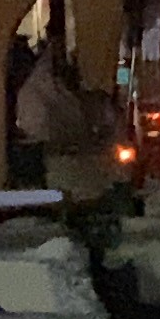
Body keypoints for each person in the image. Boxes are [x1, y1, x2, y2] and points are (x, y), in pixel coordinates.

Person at [16, 44, 114, 201]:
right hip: (60, 172)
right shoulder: (36, 92)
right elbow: (38, 134)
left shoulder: (74, 92)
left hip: (85, 173)